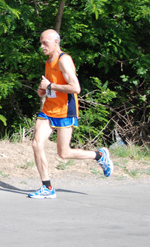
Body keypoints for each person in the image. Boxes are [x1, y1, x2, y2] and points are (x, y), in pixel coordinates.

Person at [29, 29, 113, 199]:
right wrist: (43, 90)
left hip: (65, 110)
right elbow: (47, 88)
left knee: (64, 153)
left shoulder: (64, 60)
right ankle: (47, 187)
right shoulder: (48, 61)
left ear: (55, 42)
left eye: (45, 42)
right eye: (41, 42)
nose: (42, 46)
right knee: (36, 144)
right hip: (48, 110)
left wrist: (50, 86)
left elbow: (75, 88)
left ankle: (99, 155)